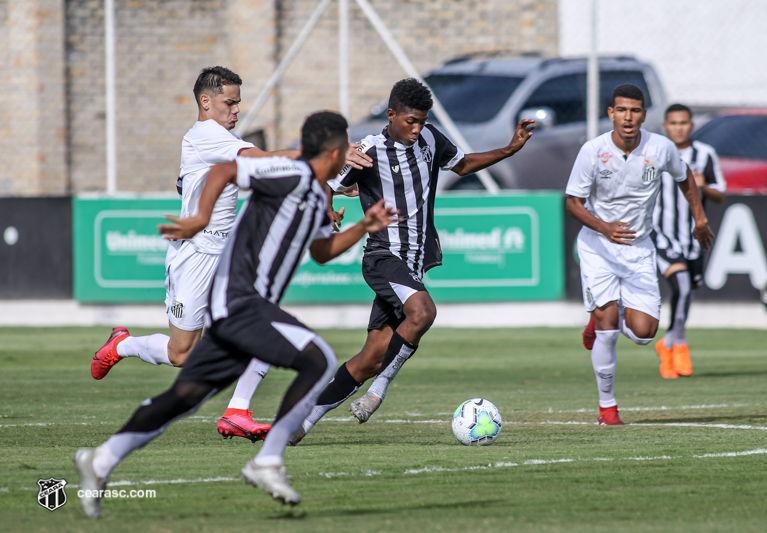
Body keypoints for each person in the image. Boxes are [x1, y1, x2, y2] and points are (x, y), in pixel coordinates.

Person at [74, 111, 398, 518]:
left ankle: (100, 460)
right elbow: (226, 170)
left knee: (184, 396)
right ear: (335, 154)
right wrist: (201, 218)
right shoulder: (290, 171)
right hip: (240, 299)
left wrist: (363, 226)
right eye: (345, 150)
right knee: (321, 359)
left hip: (242, 309)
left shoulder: (317, 195)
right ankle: (269, 459)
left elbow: (322, 252)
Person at [89, 66, 371, 442]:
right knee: (180, 354)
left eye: (238, 103)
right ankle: (121, 345)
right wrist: (323, 156)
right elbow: (265, 159)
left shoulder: (222, 136)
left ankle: (238, 411)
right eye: (229, 102)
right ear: (206, 102)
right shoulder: (206, 134)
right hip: (195, 254)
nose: (236, 110)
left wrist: (322, 199)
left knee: (262, 326)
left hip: (226, 259)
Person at [289, 78, 535, 444]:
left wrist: (509, 149)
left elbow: (463, 163)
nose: (416, 128)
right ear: (391, 115)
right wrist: (328, 209)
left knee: (371, 357)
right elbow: (325, 181)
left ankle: (301, 423)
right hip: (383, 257)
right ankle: (379, 392)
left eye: (421, 121)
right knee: (423, 312)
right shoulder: (368, 150)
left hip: (413, 264)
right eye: (410, 122)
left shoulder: (431, 138)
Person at [567, 84, 714, 425]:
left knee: (645, 333)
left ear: (644, 115)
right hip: (598, 247)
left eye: (634, 110)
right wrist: (604, 227)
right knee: (607, 328)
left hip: (638, 249)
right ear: (611, 114)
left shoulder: (659, 148)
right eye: (621, 110)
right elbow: (573, 202)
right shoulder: (593, 150)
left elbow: (685, 178)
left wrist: (700, 217)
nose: (628, 117)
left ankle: (602, 317)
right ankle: (608, 408)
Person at [652, 103, 726, 378]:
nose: (678, 128)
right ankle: (679, 344)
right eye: (673, 123)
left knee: (688, 293)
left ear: (691, 125)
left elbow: (720, 193)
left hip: (694, 238)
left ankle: (667, 343)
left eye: (683, 123)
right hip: (662, 234)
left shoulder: (705, 154)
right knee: (681, 285)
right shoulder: (654, 152)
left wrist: (702, 184)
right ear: (665, 126)